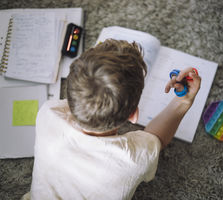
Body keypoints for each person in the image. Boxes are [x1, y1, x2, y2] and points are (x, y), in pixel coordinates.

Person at [22, 39, 201, 200]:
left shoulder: (49, 112)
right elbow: (156, 139)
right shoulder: (133, 159)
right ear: (133, 116)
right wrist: (183, 100)